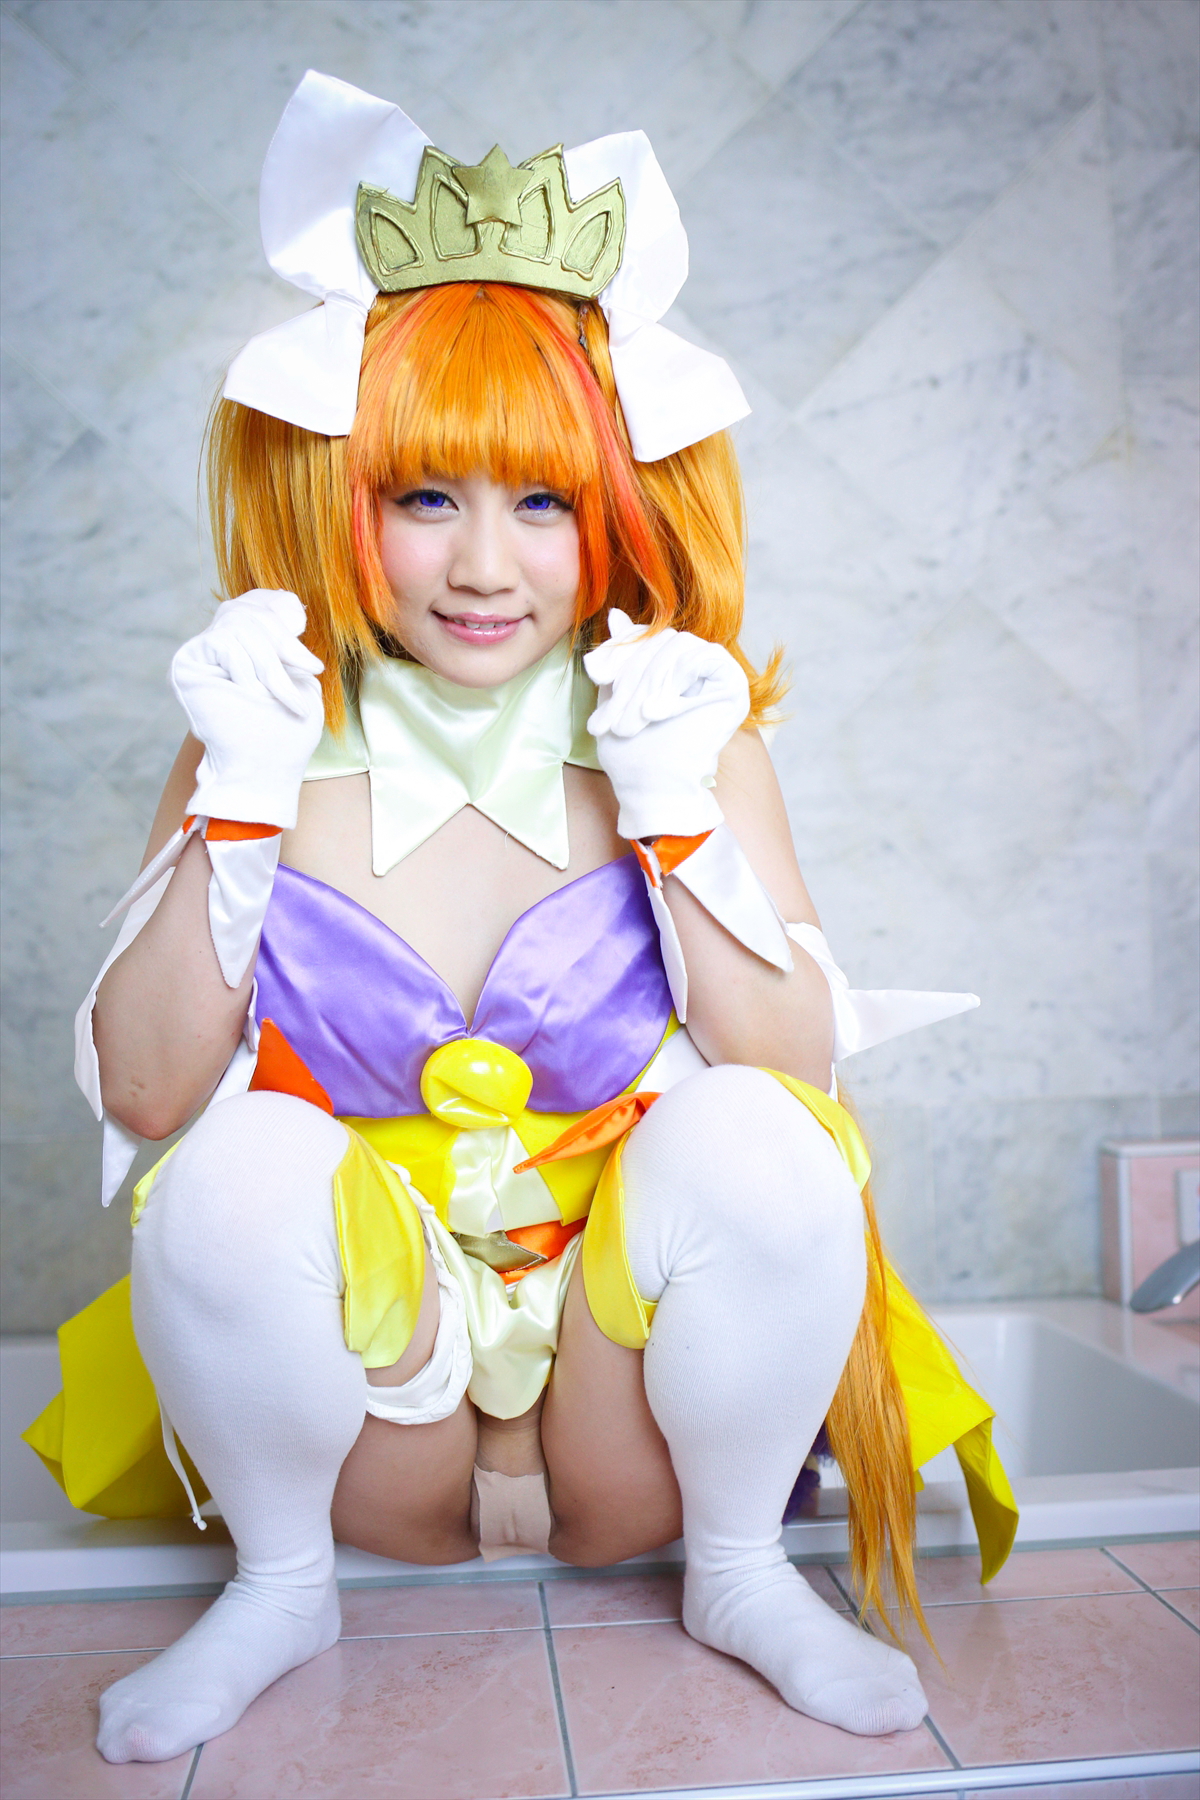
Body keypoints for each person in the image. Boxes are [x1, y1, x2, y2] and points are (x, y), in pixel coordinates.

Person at [24, 73, 1016, 1768]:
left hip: (634, 1436)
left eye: (542, 501)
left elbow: (796, 1084)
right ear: (340, 495)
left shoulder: (685, 725)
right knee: (235, 1156)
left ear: (616, 507)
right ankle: (276, 1591)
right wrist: (241, 795)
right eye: (428, 496)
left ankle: (739, 1579)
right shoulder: (256, 723)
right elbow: (144, 1090)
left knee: (755, 1135)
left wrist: (677, 807)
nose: (485, 566)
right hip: (370, 1432)